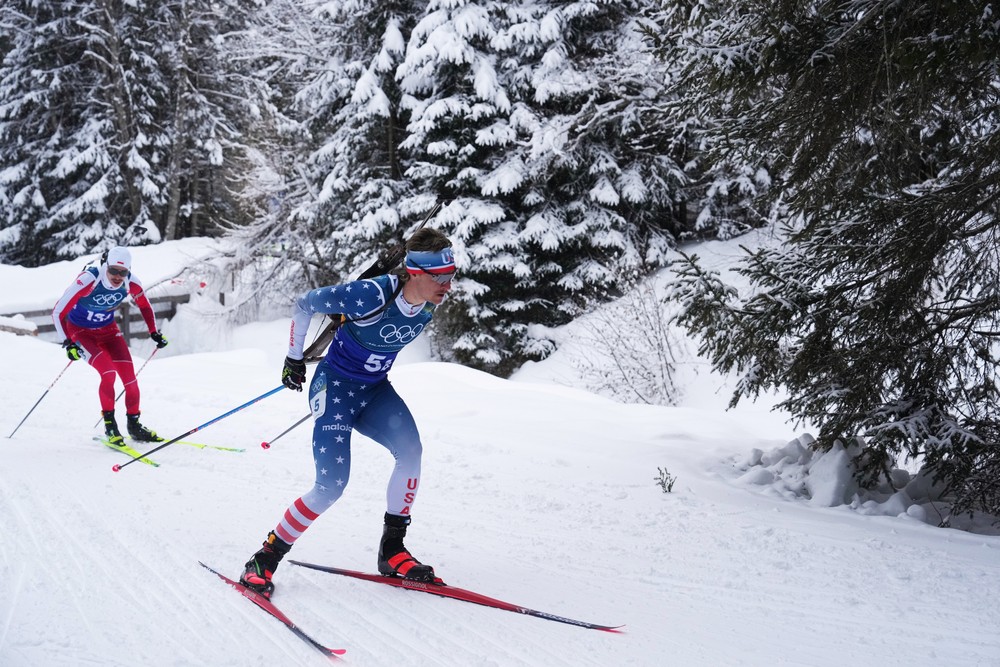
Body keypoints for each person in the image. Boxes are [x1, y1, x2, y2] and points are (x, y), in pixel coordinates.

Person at [239, 227, 456, 599]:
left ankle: (392, 550)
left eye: (452, 275)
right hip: (335, 390)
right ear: (415, 272)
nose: (448, 286)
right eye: (440, 277)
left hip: (375, 391)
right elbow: (304, 303)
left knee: (411, 452)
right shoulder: (370, 294)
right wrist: (293, 358)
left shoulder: (429, 302)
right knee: (331, 486)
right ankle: (265, 557)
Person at [51, 246, 169, 444]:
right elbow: (57, 312)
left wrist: (154, 332)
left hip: (108, 331)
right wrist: (68, 342)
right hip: (81, 331)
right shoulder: (89, 279)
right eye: (113, 270)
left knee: (130, 380)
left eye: (123, 272)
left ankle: (134, 425)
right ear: (106, 265)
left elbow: (145, 306)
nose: (117, 276)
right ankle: (110, 426)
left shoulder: (131, 282)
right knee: (108, 373)